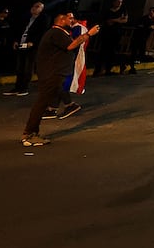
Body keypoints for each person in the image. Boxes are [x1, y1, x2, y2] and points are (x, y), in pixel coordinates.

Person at [21, 12, 98, 147]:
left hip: (55, 73)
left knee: (45, 101)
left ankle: (34, 130)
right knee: (41, 103)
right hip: (51, 73)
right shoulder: (56, 32)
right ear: (61, 20)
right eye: (70, 18)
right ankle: (30, 133)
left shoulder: (61, 33)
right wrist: (88, 34)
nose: (72, 21)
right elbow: (71, 45)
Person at [8, 1, 49, 96]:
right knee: (20, 67)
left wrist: (33, 42)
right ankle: (17, 87)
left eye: (37, 7)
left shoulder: (43, 20)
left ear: (41, 9)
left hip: (32, 47)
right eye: (34, 6)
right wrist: (16, 40)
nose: (34, 8)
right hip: (22, 44)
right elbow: (19, 30)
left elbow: (42, 33)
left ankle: (24, 87)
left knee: (28, 67)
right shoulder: (26, 18)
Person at [93, 0, 131, 76]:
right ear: (114, 2)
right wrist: (117, 20)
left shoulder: (123, 10)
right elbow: (106, 21)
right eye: (118, 1)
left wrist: (114, 20)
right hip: (106, 33)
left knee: (112, 51)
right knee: (103, 50)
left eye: (121, 2)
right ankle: (98, 69)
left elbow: (125, 20)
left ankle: (108, 69)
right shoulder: (108, 11)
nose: (119, 3)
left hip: (117, 33)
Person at [130, 6, 154, 72]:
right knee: (136, 48)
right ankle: (133, 60)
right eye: (153, 11)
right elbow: (141, 25)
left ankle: (139, 59)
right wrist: (149, 26)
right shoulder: (144, 18)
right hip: (139, 35)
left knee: (142, 48)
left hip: (145, 36)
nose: (153, 13)